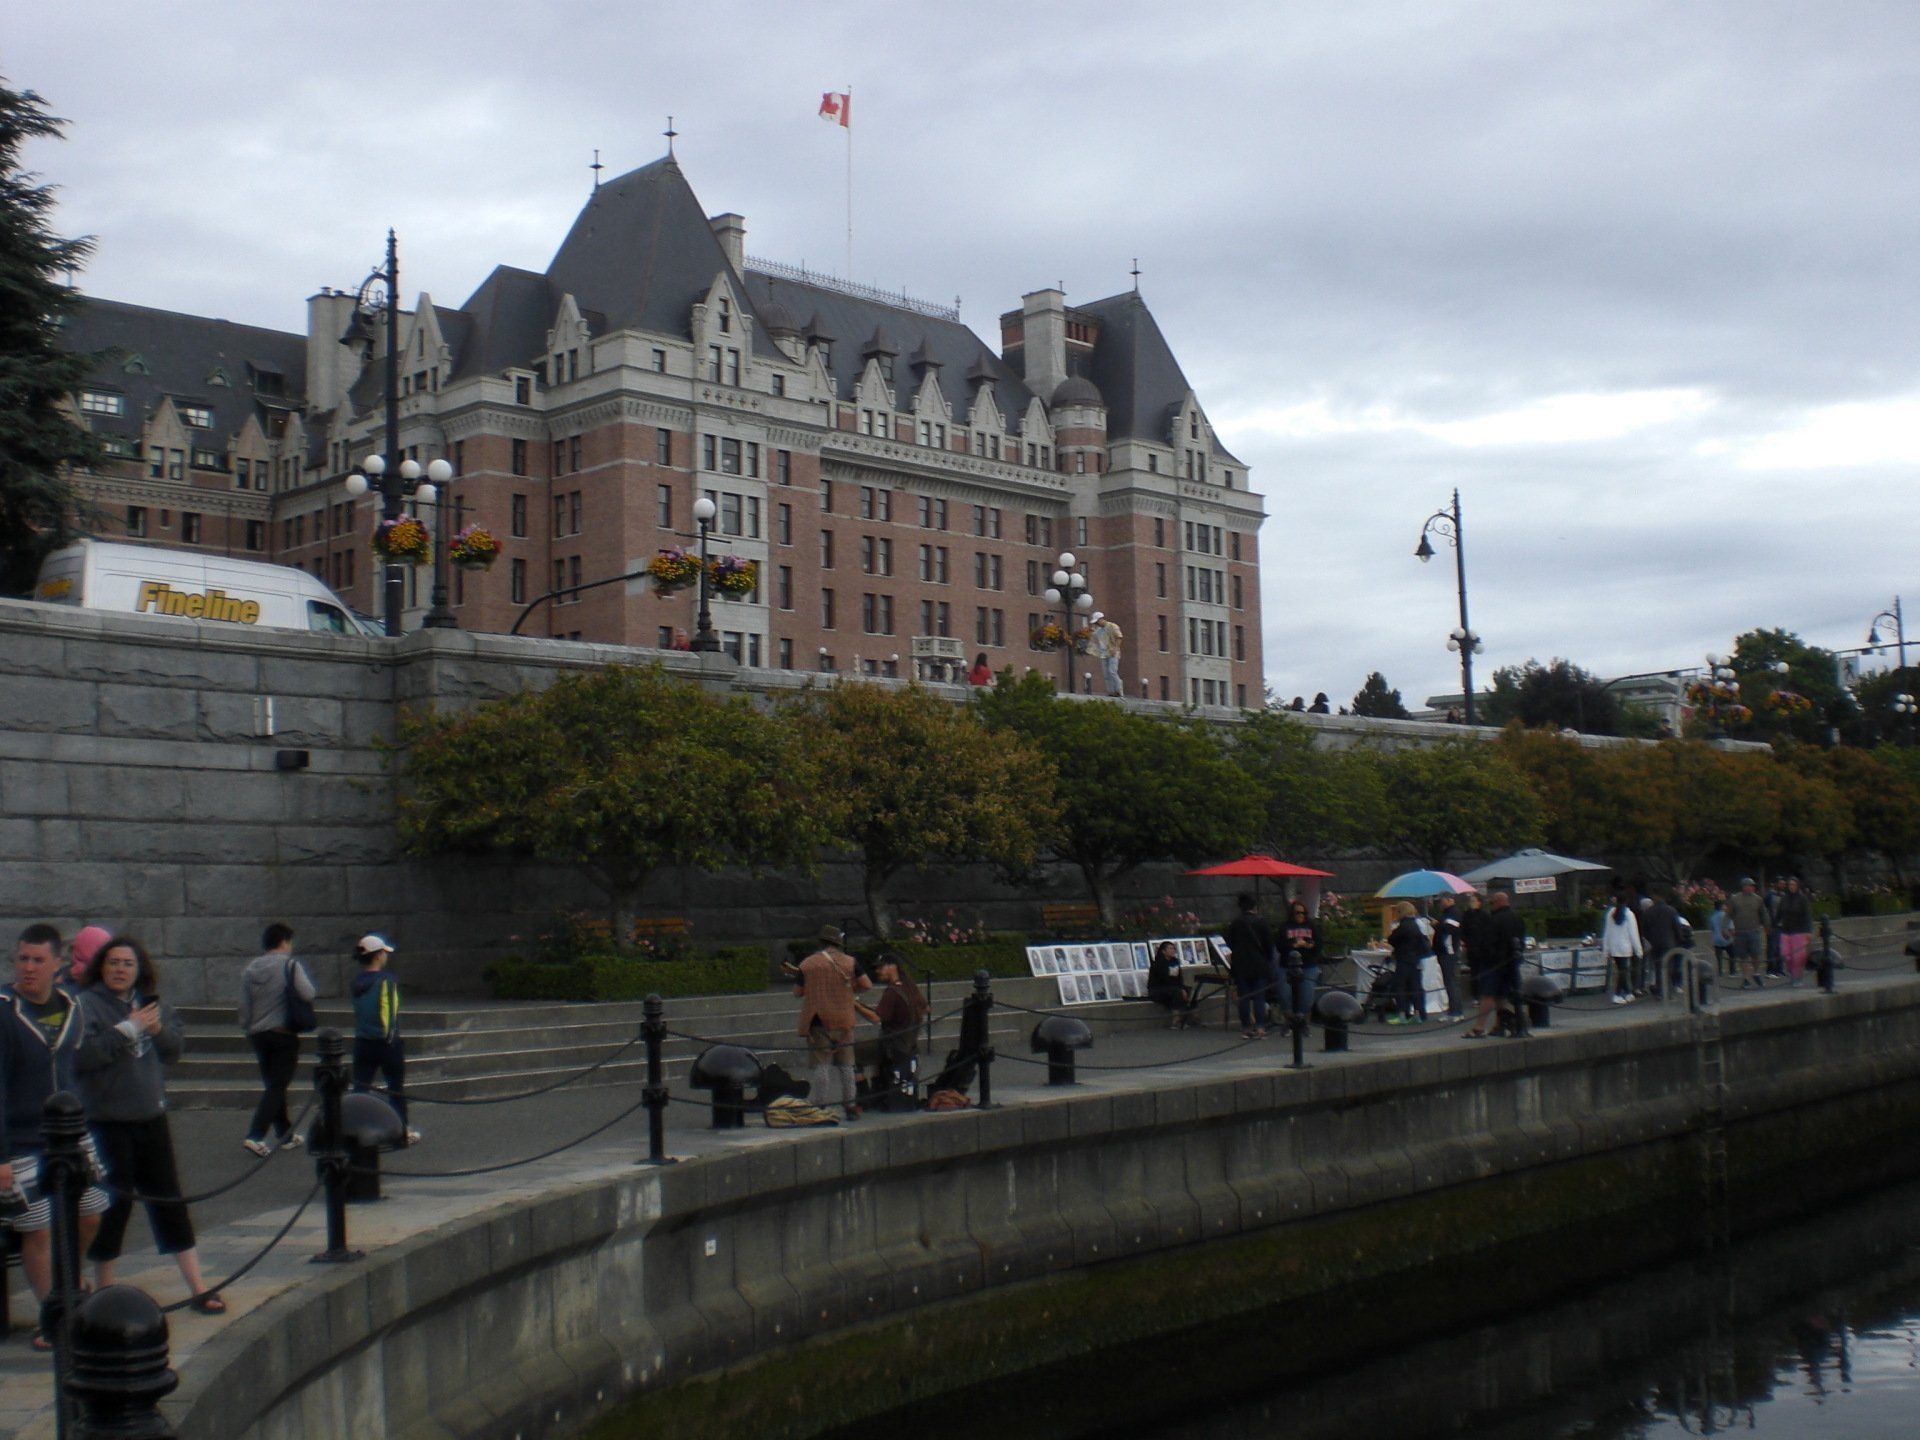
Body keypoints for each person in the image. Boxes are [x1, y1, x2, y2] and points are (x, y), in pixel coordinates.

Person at [73, 935, 223, 1312]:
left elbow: (174, 1051)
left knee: (169, 1200)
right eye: (113, 963)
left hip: (151, 1117)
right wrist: (128, 1029)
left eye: (127, 963)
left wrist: (155, 1029)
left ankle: (197, 1286)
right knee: (114, 1205)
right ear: (100, 968)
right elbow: (84, 1056)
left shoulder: (154, 1004)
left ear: (139, 970)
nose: (120, 970)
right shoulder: (87, 1005)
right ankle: (104, 1291)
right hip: (108, 1122)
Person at [2, 924, 113, 1348]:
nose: (28, 968)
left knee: (90, 1212)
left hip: (67, 1131)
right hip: (20, 1138)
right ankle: (55, 1311)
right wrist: (2, 1158)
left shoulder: (70, 1007)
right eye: (21, 959)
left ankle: (68, 1279)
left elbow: (74, 1068)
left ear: (57, 964)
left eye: (37, 960)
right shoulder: (4, 1010)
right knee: (38, 1226)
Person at [237, 921, 314, 1156]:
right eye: (289, 942)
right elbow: (308, 992)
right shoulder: (289, 965)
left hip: (258, 1034)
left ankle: (285, 1133)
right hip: (283, 1034)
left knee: (274, 1083)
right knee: (277, 1085)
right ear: (283, 942)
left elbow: (244, 1007)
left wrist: (248, 1028)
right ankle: (255, 1135)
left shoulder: (250, 970)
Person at [794, 926, 873, 1120]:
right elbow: (867, 985)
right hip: (844, 1020)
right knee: (847, 1066)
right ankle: (851, 1107)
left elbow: (797, 992)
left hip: (818, 1021)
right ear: (839, 943)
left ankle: (819, 1105)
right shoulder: (850, 962)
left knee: (822, 1065)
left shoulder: (808, 964)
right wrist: (848, 988)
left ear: (820, 942)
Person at [350, 935, 419, 1145]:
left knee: (361, 1088)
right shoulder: (386, 980)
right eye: (384, 953)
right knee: (395, 1088)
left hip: (363, 1040)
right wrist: (391, 1039)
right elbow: (389, 1013)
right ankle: (401, 1131)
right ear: (378, 955)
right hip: (386, 1043)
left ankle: (353, 1130)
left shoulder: (356, 982)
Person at [869, 952, 929, 1109]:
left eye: (880, 968)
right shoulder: (909, 987)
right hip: (910, 1046)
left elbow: (876, 1018)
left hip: (893, 1047)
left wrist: (854, 1004)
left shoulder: (892, 992)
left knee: (854, 1055)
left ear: (892, 967)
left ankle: (868, 1098)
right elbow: (926, 1008)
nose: (877, 971)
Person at [1223, 894, 1275, 1039]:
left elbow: (1229, 943)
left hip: (1241, 965)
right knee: (1259, 997)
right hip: (1259, 964)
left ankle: (1246, 1027)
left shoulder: (1235, 923)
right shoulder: (1261, 922)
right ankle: (1260, 1027)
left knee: (1244, 997)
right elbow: (1269, 945)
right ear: (1255, 907)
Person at [1460, 892, 1505, 1036]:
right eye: (1470, 901)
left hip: (1483, 950)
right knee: (1474, 972)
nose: (1471, 903)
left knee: (1484, 978)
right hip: (1472, 948)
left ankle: (1485, 1024)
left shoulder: (1485, 916)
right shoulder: (1467, 915)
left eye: (1473, 900)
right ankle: (1475, 996)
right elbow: (1463, 930)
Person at [1484, 891, 1529, 1036]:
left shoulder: (1494, 920)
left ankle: (1487, 1026)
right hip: (1513, 962)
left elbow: (1489, 942)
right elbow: (1522, 939)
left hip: (1497, 964)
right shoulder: (1517, 918)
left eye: (1491, 903)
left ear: (1498, 902)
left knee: (1492, 994)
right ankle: (1514, 1024)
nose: (1490, 906)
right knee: (1515, 993)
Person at [1276, 900, 1325, 1025]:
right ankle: (1289, 1019)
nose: (1300, 915)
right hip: (1287, 965)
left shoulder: (1311, 926)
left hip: (1308, 965)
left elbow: (1318, 943)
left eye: (1303, 913)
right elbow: (1279, 945)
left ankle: (1303, 1021)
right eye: (1297, 913)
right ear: (1292, 913)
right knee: (1284, 994)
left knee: (1306, 995)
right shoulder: (1285, 927)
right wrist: (1294, 945)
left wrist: (1308, 945)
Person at [1384, 901, 1431, 1024]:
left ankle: (1402, 1014)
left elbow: (1392, 939)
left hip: (1404, 959)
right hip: (1416, 960)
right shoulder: (1416, 925)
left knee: (1399, 986)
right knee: (1415, 987)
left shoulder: (1404, 925)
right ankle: (1418, 1013)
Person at [1599, 894, 1644, 1004]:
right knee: (1623, 972)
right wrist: (1638, 950)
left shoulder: (1611, 913)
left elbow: (1607, 932)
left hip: (1614, 947)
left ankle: (1628, 992)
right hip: (1625, 947)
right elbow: (1633, 934)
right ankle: (1618, 994)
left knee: (1621, 970)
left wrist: (1606, 949)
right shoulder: (1629, 914)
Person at [1638, 886, 1683, 997]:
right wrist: (1679, 940)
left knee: (1658, 967)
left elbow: (1644, 929)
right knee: (1669, 967)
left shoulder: (1648, 912)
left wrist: (1650, 939)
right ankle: (1668, 991)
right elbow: (1677, 927)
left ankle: (1660, 991)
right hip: (1669, 942)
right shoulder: (1671, 910)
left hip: (1655, 943)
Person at [1727, 877, 1769, 989]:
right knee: (1743, 956)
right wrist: (1725, 928)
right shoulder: (1735, 899)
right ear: (1743, 887)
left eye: (1752, 886)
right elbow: (1728, 915)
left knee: (1756, 954)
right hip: (1740, 932)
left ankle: (1756, 973)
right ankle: (1746, 978)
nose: (1751, 888)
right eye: (1749, 886)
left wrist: (1767, 926)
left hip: (1754, 931)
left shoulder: (1758, 899)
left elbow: (1764, 914)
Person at [1146, 941, 1200, 1028]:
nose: (1173, 950)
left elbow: (1179, 978)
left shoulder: (1175, 962)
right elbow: (1162, 980)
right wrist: (1179, 989)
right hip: (1157, 989)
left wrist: (1182, 988)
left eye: (1173, 948)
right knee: (1177, 992)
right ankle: (1176, 1021)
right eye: (1170, 949)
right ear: (1163, 951)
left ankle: (1195, 1018)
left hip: (1174, 987)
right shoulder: (1158, 963)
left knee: (1191, 991)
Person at [1430, 894, 1465, 1019]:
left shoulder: (1454, 913)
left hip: (1449, 951)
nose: (1440, 903)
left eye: (1442, 901)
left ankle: (1456, 1011)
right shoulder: (1446, 913)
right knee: (1449, 981)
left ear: (1450, 900)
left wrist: (1437, 925)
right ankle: (1453, 1010)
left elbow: (1451, 928)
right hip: (1444, 951)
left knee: (1451, 982)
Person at [1776, 877, 1814, 985]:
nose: (1792, 887)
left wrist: (1808, 931)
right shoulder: (1784, 899)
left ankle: (1797, 976)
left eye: (1794, 885)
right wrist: (1774, 924)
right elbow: (1779, 914)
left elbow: (1807, 916)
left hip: (1799, 931)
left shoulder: (1802, 899)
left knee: (1798, 956)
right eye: (1790, 885)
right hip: (1786, 930)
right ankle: (1792, 971)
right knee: (1786, 955)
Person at [1086, 612, 1125, 697]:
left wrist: (1115, 648)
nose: (1096, 624)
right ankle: (1111, 692)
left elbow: (1119, 637)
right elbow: (1093, 636)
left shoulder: (1112, 626)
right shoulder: (1098, 630)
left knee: (1112, 671)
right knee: (1106, 674)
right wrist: (1090, 629)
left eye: (1097, 622)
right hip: (1104, 653)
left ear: (1101, 619)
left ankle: (1119, 690)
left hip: (1113, 652)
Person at [1708, 898, 1734, 977]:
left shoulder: (1712, 917)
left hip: (1716, 938)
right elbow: (1731, 927)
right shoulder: (1727, 916)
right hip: (1727, 938)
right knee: (1732, 955)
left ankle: (1719, 972)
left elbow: (1711, 927)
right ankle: (1732, 971)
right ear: (1722, 906)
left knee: (1718, 957)